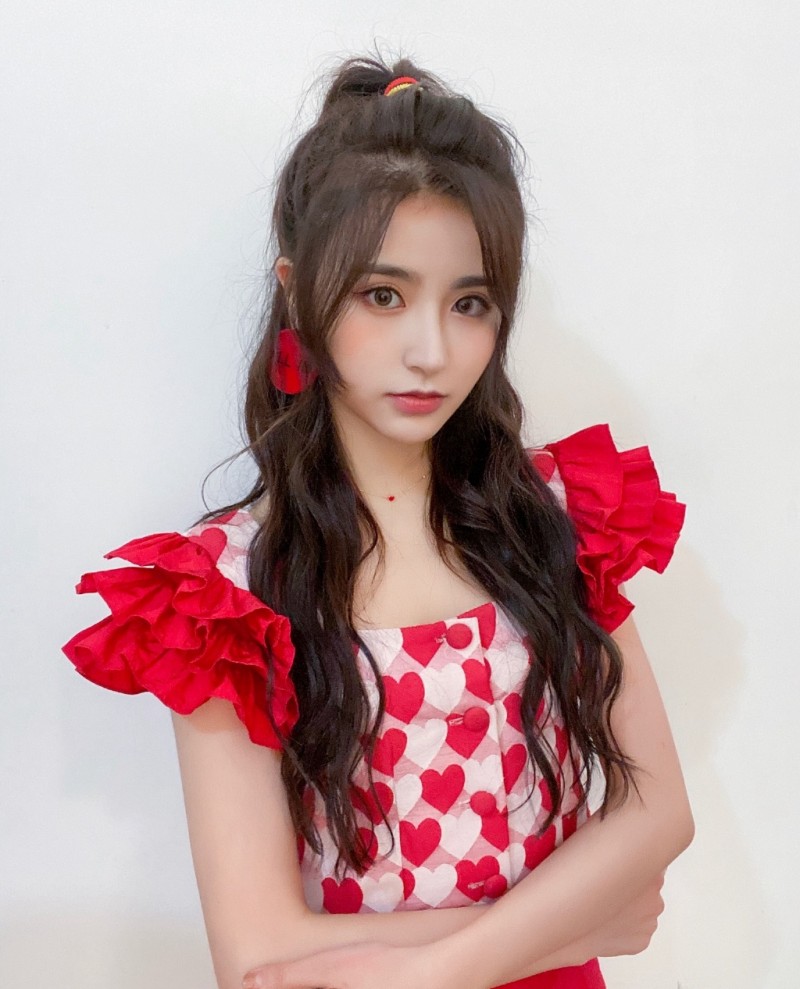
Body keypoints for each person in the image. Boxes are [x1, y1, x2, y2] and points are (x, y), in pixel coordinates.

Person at [61, 53, 694, 989]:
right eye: (383, 295)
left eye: (469, 303)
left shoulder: (557, 519)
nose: (430, 350)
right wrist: (570, 924)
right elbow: (258, 953)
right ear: (296, 287)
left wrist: (428, 970)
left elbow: (660, 815)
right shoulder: (222, 596)